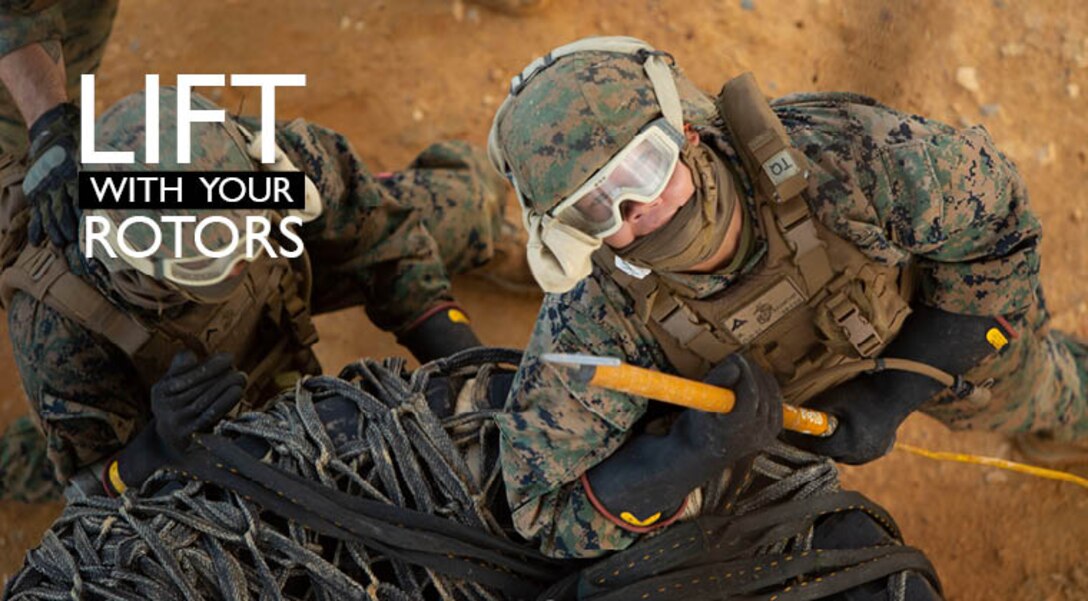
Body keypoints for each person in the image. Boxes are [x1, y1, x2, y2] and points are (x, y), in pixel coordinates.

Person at [486, 34, 1086, 593]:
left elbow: (999, 231)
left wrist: (901, 388)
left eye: (642, 168)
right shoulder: (594, 319)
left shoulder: (846, 155)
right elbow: (544, 509)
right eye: (595, 208)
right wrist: (689, 452)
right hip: (770, 448)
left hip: (927, 331)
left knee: (1033, 393)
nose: (635, 208)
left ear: (686, 133)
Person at [0, 84, 517, 501]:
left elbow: (385, 241)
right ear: (120, 255)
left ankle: (492, 224)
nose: (240, 258)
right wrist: (158, 446)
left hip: (287, 285)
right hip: (168, 396)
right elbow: (94, 486)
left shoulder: (270, 163)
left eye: (242, 229)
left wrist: (468, 366)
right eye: (205, 255)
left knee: (465, 208)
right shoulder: (58, 326)